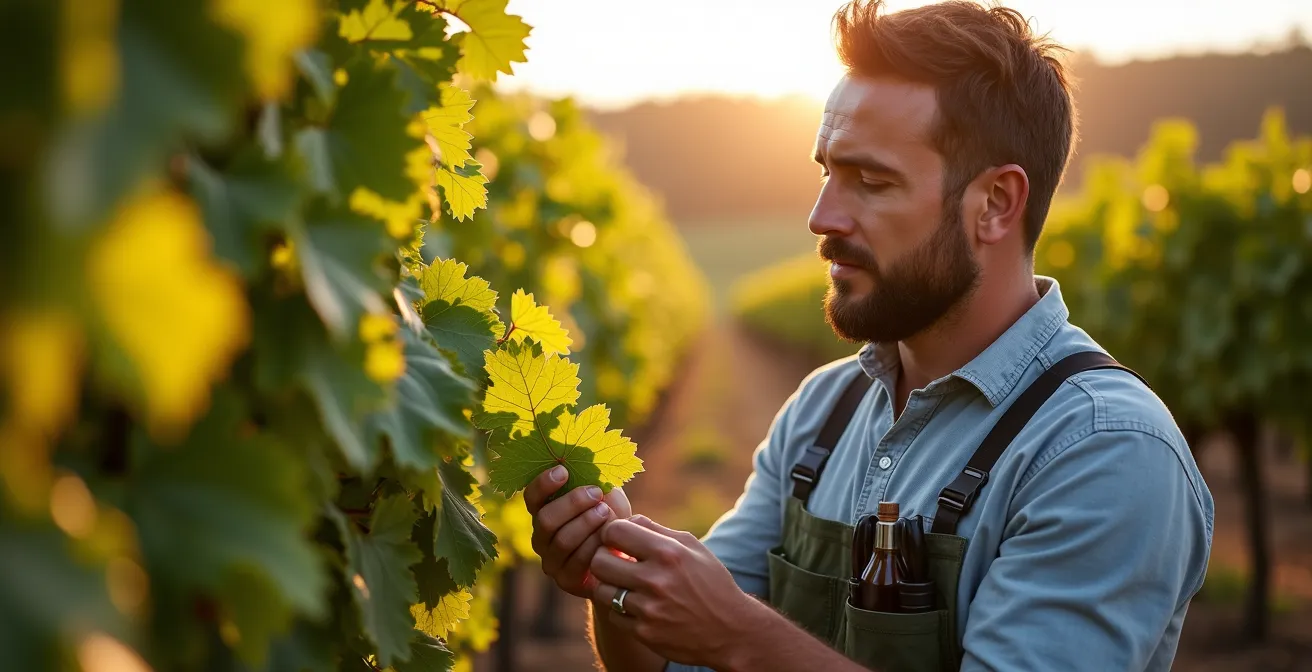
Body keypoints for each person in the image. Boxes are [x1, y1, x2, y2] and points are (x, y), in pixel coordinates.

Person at [522, 1, 1215, 670]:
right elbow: (678, 659)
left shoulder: (1103, 451)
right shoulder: (823, 412)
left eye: (871, 182)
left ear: (997, 204)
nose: (822, 217)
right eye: (827, 173)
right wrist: (614, 582)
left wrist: (738, 634)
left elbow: (725, 635)